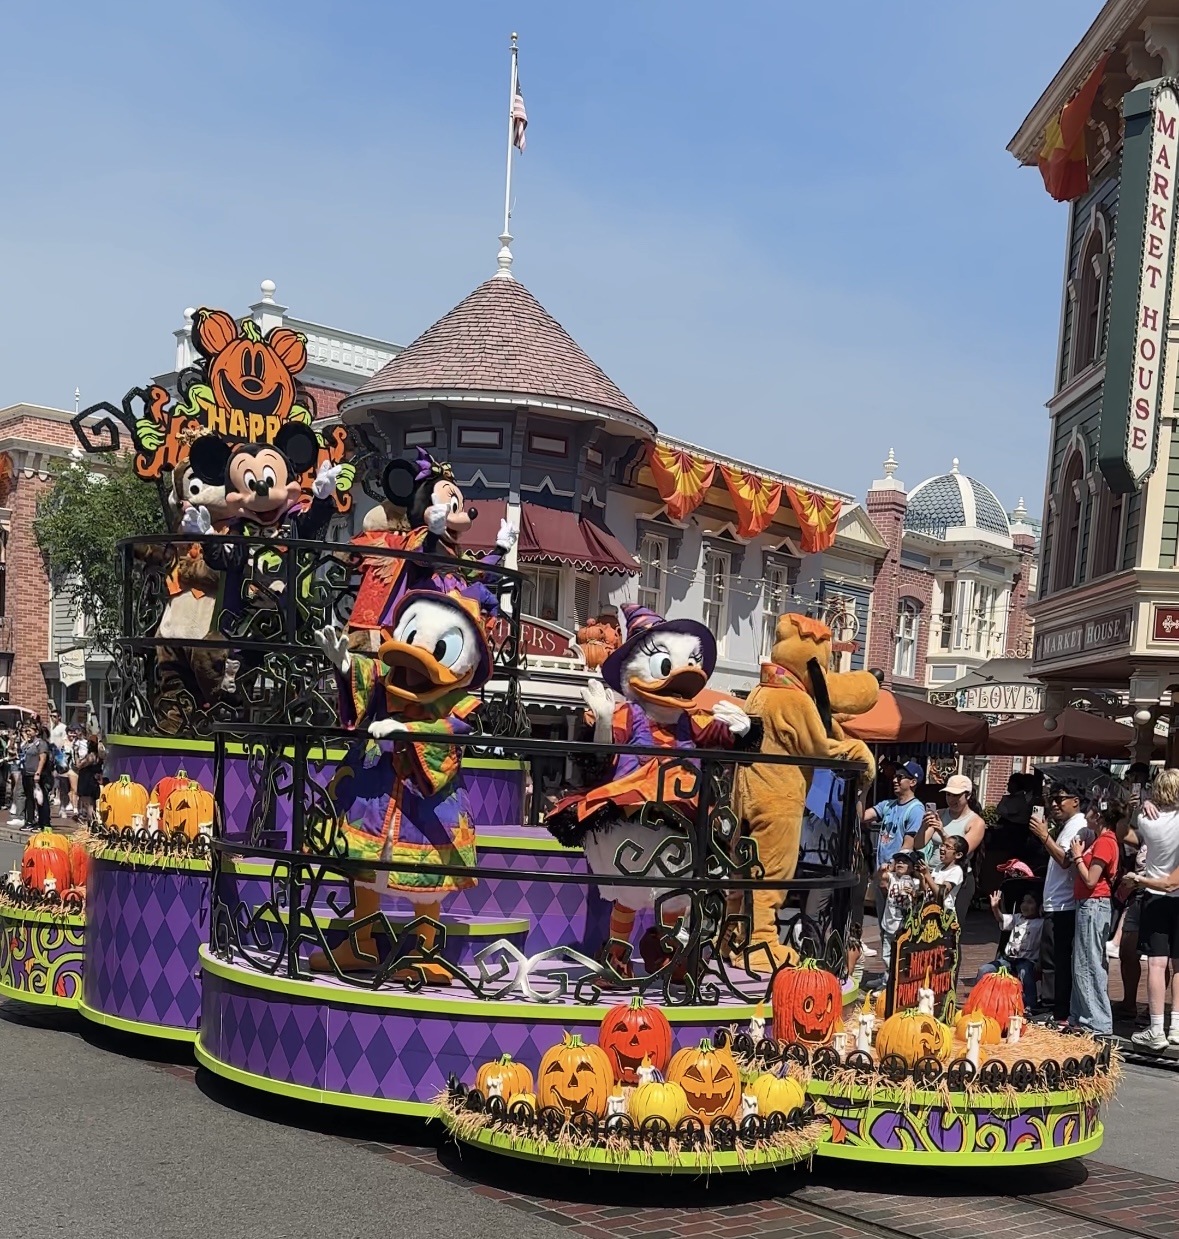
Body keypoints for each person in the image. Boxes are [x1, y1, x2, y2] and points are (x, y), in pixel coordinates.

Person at [1124, 769, 1179, 1050]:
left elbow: (1130, 835)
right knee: (1178, 964)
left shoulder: (1148, 820)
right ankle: (1176, 1026)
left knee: (1157, 964)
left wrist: (1138, 805)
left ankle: (1156, 1027)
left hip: (1156, 893)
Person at [1030, 780, 1089, 1027]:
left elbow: (1065, 860)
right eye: (1051, 799)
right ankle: (1054, 1007)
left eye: (1059, 798)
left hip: (1065, 904)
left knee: (1058, 960)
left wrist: (1044, 837)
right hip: (1056, 901)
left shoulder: (1079, 825)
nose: (1054, 804)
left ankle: (1058, 1010)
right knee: (1051, 957)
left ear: (1075, 801)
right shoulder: (1067, 825)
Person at [1068, 798, 1121, 1036]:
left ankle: (1096, 1021)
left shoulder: (1105, 842)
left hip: (1094, 904)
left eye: (1089, 811)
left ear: (1098, 815)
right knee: (1081, 960)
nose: (1085, 815)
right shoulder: (1098, 840)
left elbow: (1091, 879)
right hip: (1088, 904)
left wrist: (1078, 856)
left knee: (1089, 962)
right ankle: (1080, 1016)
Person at [862, 761, 926, 923]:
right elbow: (860, 816)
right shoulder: (888, 805)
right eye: (894, 776)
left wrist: (889, 872)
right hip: (882, 874)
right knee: (884, 929)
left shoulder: (916, 809)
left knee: (897, 929)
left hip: (898, 879)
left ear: (913, 782)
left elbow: (908, 846)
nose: (894, 780)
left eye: (900, 777)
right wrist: (865, 790)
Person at [978, 889, 1043, 1012]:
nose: (1025, 905)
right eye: (1023, 902)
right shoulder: (1017, 918)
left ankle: (1030, 1005)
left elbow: (1044, 945)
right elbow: (1001, 918)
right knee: (985, 970)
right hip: (1008, 960)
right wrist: (995, 908)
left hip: (1027, 960)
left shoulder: (1041, 923)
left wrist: (1040, 962)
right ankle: (981, 999)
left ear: (1039, 906)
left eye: (1030, 902)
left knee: (1025, 972)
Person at [877, 849, 919, 978]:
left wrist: (913, 893)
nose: (900, 863)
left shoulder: (915, 882)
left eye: (905, 861)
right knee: (887, 954)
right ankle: (887, 981)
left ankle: (893, 982)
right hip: (889, 923)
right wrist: (883, 869)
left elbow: (919, 900)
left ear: (912, 867)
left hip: (903, 926)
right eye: (898, 860)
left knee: (901, 955)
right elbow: (882, 877)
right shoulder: (893, 877)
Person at [917, 834, 968, 910]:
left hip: (943, 915)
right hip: (929, 910)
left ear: (958, 855)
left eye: (948, 847)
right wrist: (922, 877)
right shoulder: (938, 867)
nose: (942, 849)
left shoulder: (956, 870)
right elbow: (926, 891)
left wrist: (927, 875)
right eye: (942, 845)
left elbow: (940, 894)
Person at [75, 736, 102, 825]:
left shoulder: (91, 756)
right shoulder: (98, 755)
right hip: (92, 780)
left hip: (87, 780)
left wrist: (75, 753)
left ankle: (91, 822)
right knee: (90, 802)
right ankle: (91, 821)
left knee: (88, 802)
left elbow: (79, 765)